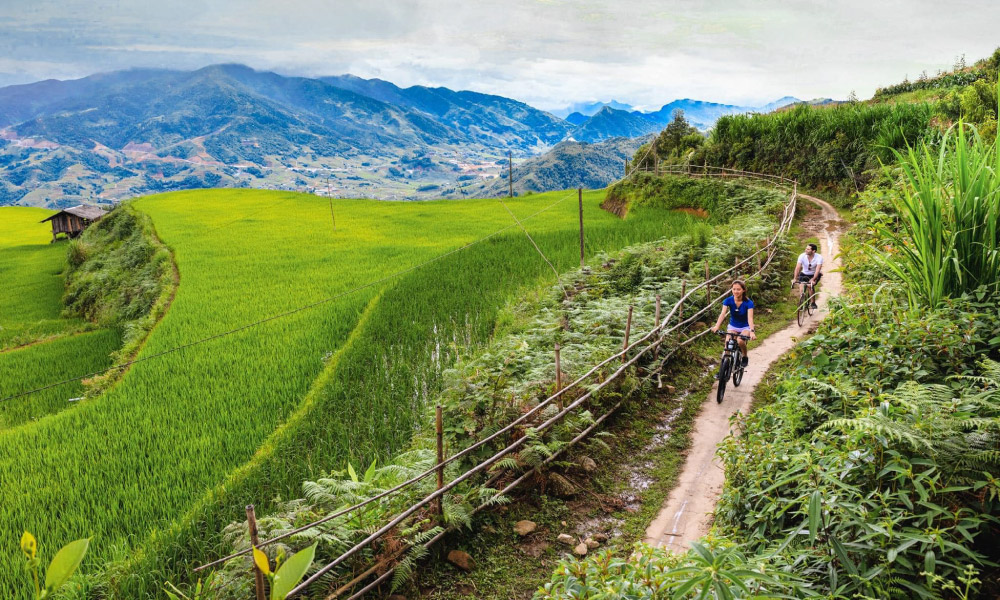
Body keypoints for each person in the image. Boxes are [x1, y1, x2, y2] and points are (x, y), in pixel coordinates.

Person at [711, 280, 756, 368]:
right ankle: (722, 371)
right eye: (734, 289)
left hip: (745, 327)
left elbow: (750, 318)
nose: (736, 291)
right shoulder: (728, 300)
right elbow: (723, 314)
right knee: (727, 346)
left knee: (740, 341)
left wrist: (752, 331)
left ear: (743, 290)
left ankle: (744, 356)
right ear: (731, 290)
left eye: (738, 289)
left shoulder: (749, 303)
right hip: (733, 326)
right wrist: (717, 326)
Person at [792, 243, 823, 309]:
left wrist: (813, 279)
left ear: (813, 251)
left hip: (814, 274)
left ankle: (813, 302)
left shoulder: (819, 257)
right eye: (806, 248)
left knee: (809, 286)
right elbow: (798, 268)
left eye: (808, 249)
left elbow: (817, 269)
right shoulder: (802, 256)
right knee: (801, 286)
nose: (806, 250)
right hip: (804, 273)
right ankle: (802, 302)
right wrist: (795, 278)